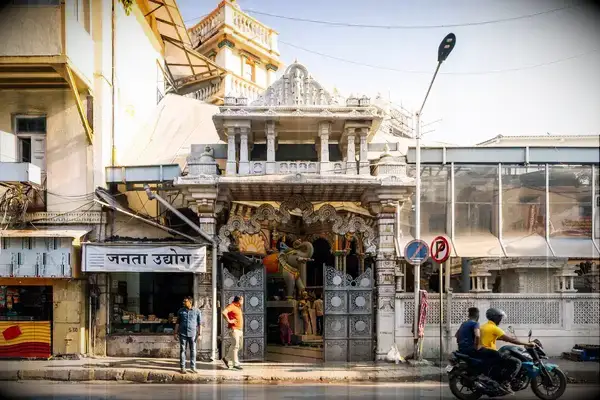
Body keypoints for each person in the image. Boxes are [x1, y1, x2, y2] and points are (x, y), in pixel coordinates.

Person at [478, 308, 535, 394]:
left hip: (482, 352)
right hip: (490, 353)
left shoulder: (483, 326)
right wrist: (528, 343)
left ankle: (500, 380)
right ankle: (506, 383)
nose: (500, 320)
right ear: (495, 318)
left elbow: (499, 337)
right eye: (500, 318)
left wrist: (508, 338)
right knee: (517, 362)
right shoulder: (494, 328)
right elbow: (510, 340)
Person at [173, 296, 202, 374]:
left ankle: (193, 367)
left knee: (193, 350)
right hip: (182, 333)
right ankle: (183, 367)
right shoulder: (181, 311)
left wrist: (200, 334)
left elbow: (199, 324)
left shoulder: (197, 311)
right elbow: (177, 323)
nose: (183, 303)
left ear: (190, 302)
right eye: (183, 301)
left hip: (193, 334)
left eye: (185, 301)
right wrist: (175, 333)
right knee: (183, 350)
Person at [222, 295, 244, 370]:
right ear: (239, 300)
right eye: (242, 300)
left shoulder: (238, 307)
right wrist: (229, 320)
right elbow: (224, 312)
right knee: (235, 346)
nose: (243, 302)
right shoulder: (232, 306)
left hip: (239, 329)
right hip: (234, 329)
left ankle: (227, 358)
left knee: (239, 346)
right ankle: (235, 364)